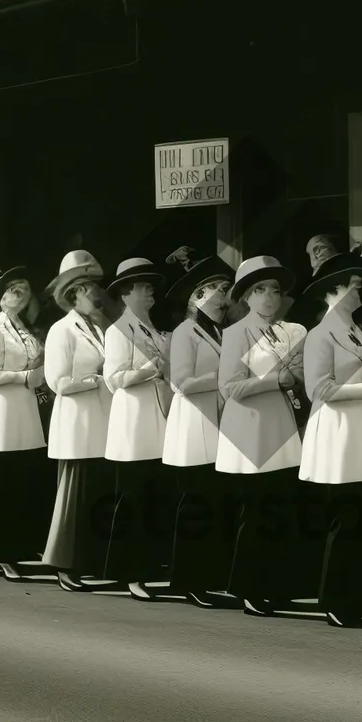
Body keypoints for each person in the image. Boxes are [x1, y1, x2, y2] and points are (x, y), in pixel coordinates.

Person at [300, 249, 362, 628]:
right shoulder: (319, 334)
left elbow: (361, 372)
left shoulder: (355, 329)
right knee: (346, 517)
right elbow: (319, 390)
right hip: (339, 432)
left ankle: (361, 593)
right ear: (335, 289)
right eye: (356, 286)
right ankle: (337, 599)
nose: (361, 293)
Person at [216, 255, 307, 616]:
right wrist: (278, 380)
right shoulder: (236, 334)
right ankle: (250, 588)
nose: (269, 297)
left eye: (275, 290)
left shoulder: (289, 332)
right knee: (254, 513)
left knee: (280, 511)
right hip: (250, 432)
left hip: (282, 428)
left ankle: (277, 585)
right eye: (260, 290)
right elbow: (229, 388)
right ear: (246, 297)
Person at [162, 251, 238, 608]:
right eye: (219, 289)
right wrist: (225, 378)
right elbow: (182, 382)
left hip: (217, 425)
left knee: (213, 503)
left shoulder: (220, 333)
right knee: (195, 504)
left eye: (225, 289)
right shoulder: (184, 332)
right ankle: (190, 579)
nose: (224, 297)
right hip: (193, 425)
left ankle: (209, 575)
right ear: (199, 294)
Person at [41, 251, 118, 593]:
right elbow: (57, 382)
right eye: (88, 290)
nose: (96, 295)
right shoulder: (62, 330)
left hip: (99, 420)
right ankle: (65, 564)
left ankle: (91, 560)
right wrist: (95, 379)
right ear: (74, 294)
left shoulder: (100, 327)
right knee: (73, 496)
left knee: (95, 494)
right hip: (76, 423)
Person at [0, 264, 52, 580]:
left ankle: (19, 544)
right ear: (0, 297)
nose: (19, 294)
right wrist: (25, 377)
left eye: (23, 288)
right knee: (4, 483)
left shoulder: (22, 327)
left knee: (23, 480)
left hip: (25, 409)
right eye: (12, 289)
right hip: (3, 410)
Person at [103, 257, 172, 599]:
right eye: (144, 288)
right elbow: (114, 380)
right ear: (127, 294)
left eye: (151, 288)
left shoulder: (152, 330)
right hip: (132, 425)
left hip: (155, 420)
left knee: (151, 498)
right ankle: (130, 572)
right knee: (132, 500)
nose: (151, 295)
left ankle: (150, 564)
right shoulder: (117, 331)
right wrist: (151, 369)